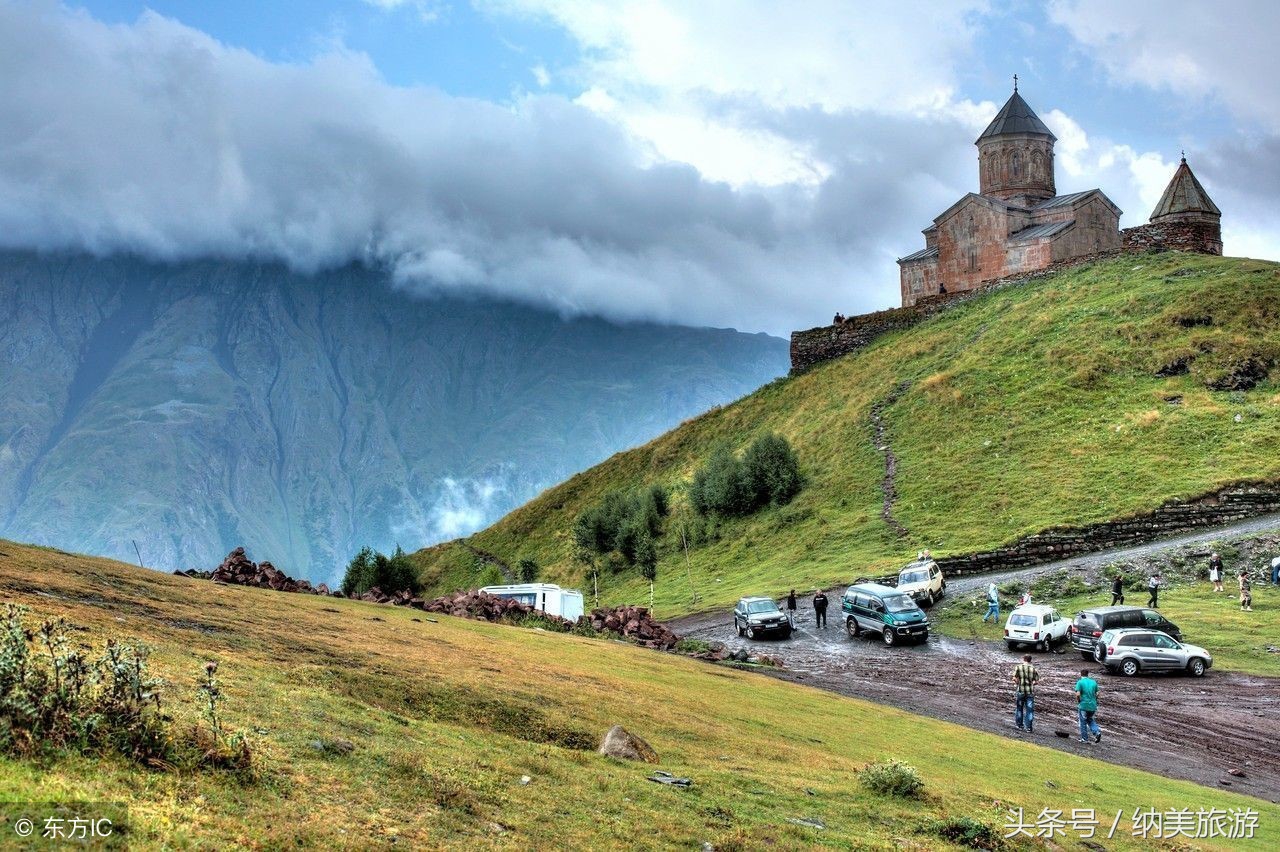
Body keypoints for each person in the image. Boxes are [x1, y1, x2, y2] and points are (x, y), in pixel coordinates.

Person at [1075, 668, 1102, 744]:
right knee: (1090, 719)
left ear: (1081, 674)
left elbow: (1078, 694)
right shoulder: (1093, 682)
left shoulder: (1080, 682)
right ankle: (1097, 732)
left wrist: (1079, 700)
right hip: (1093, 706)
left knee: (1082, 722)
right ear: (1087, 674)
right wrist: (1095, 700)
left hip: (1083, 705)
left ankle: (1084, 738)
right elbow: (1098, 694)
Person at [1013, 654, 1038, 733]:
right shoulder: (1033, 669)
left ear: (1023, 659)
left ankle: (1019, 725)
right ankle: (1029, 727)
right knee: (1029, 710)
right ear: (1030, 660)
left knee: (1019, 708)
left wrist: (1017, 682)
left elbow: (1015, 678)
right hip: (1030, 692)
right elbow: (1036, 681)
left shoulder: (1018, 667)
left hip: (1021, 690)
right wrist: (1031, 684)